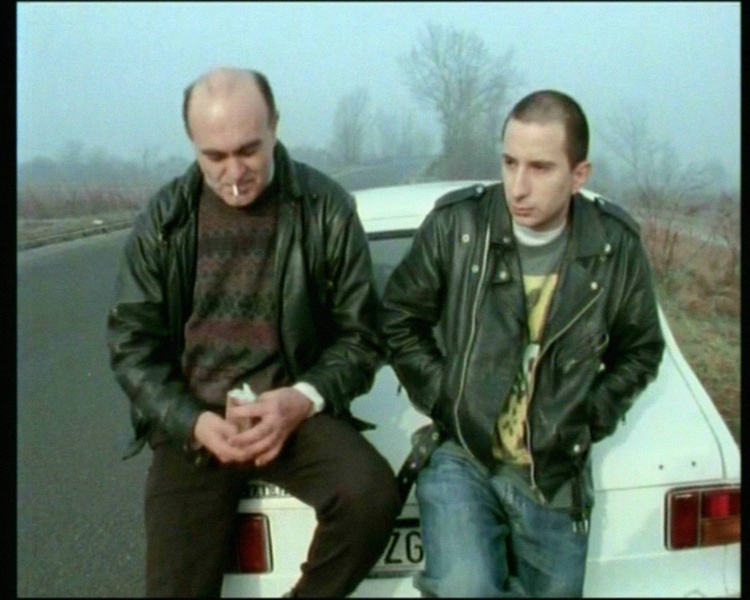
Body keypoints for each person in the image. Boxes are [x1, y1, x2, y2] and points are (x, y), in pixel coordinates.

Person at [106, 66, 400, 597]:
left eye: (248, 150)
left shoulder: (326, 208)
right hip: (196, 424)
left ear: (275, 127)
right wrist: (191, 422)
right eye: (215, 157)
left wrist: (302, 399)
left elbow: (362, 335)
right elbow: (131, 345)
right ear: (192, 145)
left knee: (370, 495)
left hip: (288, 413)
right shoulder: (164, 221)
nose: (235, 172)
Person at [381, 90, 665, 597]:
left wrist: (588, 415)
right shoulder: (458, 225)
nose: (518, 186)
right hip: (465, 453)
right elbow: (399, 318)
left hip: (553, 473)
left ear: (579, 175)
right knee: (466, 588)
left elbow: (641, 348)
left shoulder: (614, 245)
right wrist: (448, 395)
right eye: (509, 162)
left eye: (540, 167)